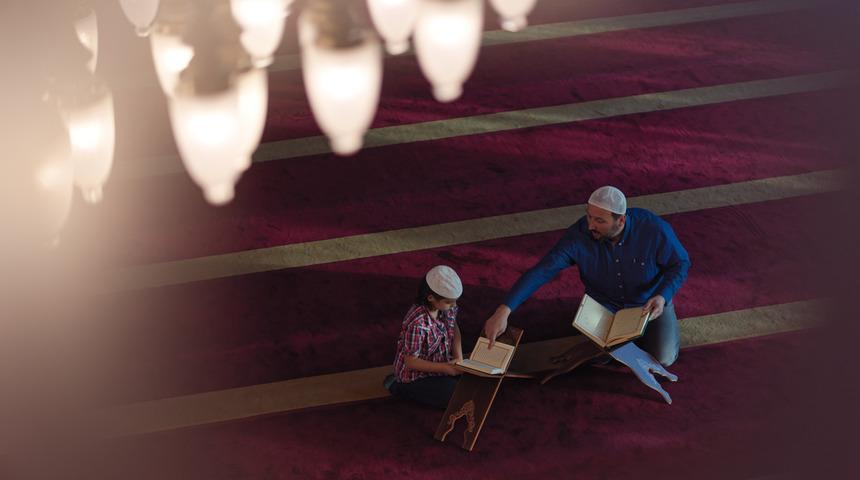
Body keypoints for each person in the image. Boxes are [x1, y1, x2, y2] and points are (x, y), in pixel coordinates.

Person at [483, 186, 690, 366]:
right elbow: (543, 270)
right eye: (589, 216)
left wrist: (663, 296)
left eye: (599, 220)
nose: (590, 225)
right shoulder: (578, 235)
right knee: (596, 357)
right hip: (605, 307)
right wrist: (504, 310)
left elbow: (680, 263)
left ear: (621, 220)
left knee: (663, 359)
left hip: (648, 305)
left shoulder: (653, 229)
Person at [385, 265, 464, 409]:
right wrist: (445, 368)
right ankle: (398, 386)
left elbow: (454, 327)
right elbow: (411, 362)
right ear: (431, 298)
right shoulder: (418, 323)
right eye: (449, 302)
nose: (454, 305)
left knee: (473, 383)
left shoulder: (448, 307)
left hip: (441, 364)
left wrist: (458, 358)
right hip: (416, 376)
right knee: (455, 396)